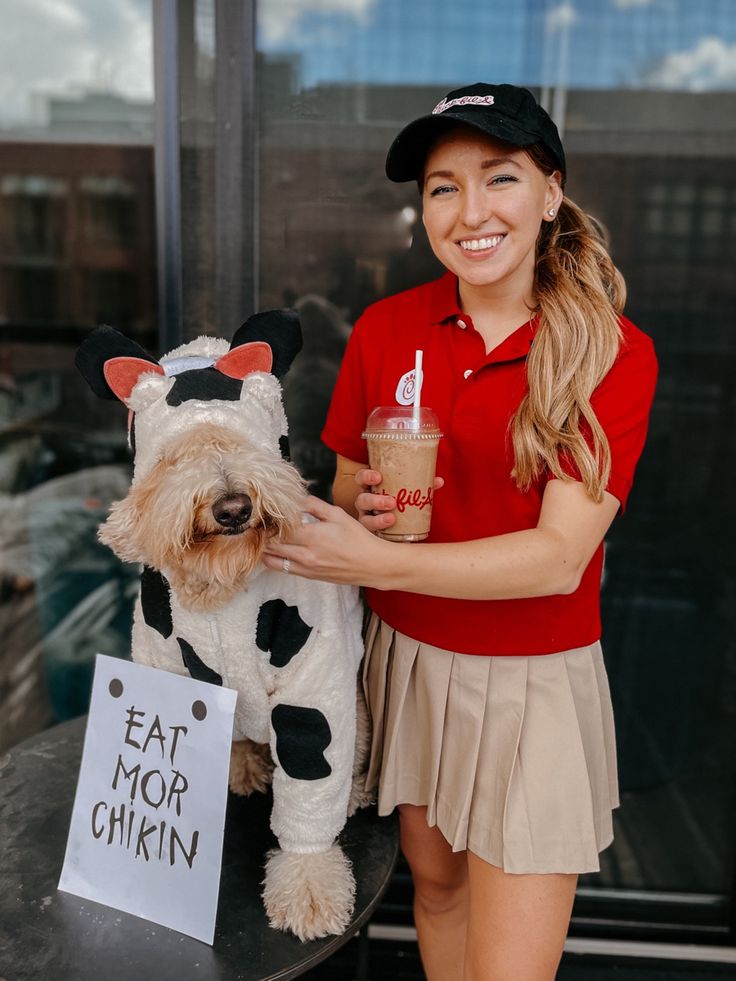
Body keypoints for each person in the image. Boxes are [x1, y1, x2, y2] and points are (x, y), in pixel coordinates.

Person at [262, 82, 658, 980]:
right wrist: (368, 520)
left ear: (551, 192)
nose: (470, 211)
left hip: (535, 683)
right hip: (407, 658)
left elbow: (559, 561)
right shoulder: (385, 328)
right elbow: (357, 492)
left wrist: (369, 555)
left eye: (500, 178)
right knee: (436, 895)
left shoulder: (611, 351)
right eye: (443, 186)